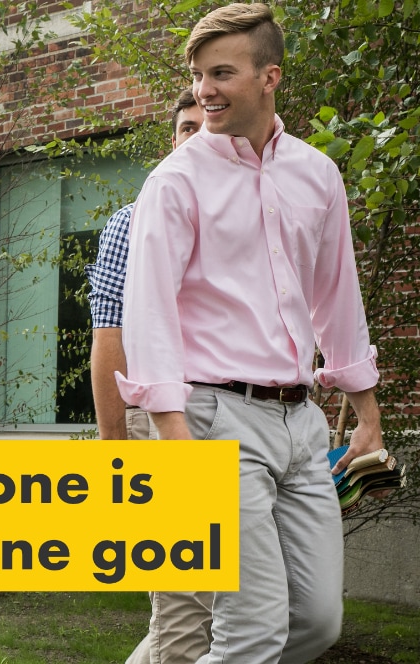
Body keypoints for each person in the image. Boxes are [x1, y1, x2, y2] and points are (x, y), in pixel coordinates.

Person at [118, 4, 383, 661]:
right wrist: (171, 432)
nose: (205, 89)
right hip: (213, 421)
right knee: (253, 631)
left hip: (302, 426)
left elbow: (337, 297)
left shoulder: (317, 174)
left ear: (270, 77)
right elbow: (145, 308)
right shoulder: (175, 180)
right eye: (198, 74)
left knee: (316, 624)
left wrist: (367, 415)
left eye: (222, 73)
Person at [86, 89, 214, 664]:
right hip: (161, 425)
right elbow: (109, 335)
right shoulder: (133, 222)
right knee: (184, 605)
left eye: (205, 124)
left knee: (236, 608)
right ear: (173, 140)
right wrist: (114, 445)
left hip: (243, 420)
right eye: (186, 127)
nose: (196, 135)